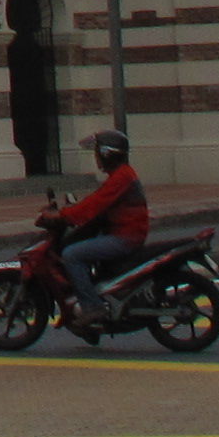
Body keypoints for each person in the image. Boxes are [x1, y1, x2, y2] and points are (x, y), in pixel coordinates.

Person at [47, 129, 147, 337]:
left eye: (97, 153)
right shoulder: (120, 176)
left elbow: (95, 204)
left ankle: (93, 308)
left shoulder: (122, 177)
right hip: (122, 233)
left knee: (72, 255)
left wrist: (63, 215)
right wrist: (72, 209)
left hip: (125, 237)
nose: (96, 158)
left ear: (106, 153)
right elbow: (98, 201)